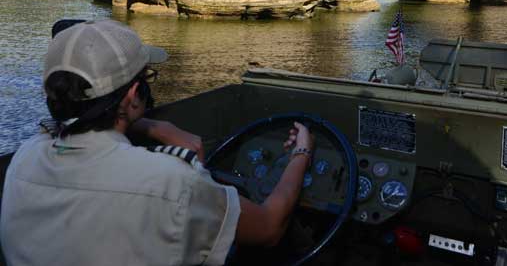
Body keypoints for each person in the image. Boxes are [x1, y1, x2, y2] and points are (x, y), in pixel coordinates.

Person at [0, 19, 314, 266]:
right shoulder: (170, 180)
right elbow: (270, 228)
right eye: (146, 79)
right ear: (134, 96)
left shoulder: (26, 157)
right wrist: (301, 152)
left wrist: (149, 125)